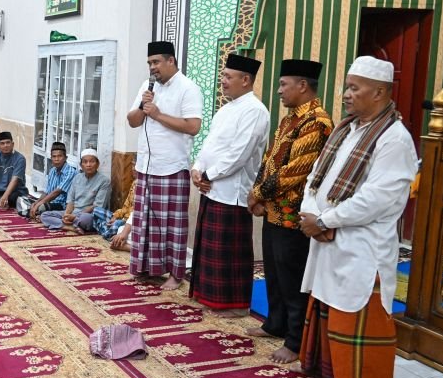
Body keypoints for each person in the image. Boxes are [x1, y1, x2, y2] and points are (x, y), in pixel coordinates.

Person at [296, 56, 418, 378]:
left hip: (362, 246)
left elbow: (377, 199)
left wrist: (324, 219)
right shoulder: (346, 129)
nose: (346, 94)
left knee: (360, 315)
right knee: (332, 308)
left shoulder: (395, 139)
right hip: (328, 238)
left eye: (354, 88)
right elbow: (315, 178)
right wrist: (310, 212)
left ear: (379, 92)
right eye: (346, 87)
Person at [245, 59, 333, 363]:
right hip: (273, 210)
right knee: (274, 273)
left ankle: (296, 342)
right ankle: (275, 324)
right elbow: (269, 159)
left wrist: (257, 194)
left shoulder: (317, 122)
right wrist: (258, 194)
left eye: (284, 84)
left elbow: (295, 172)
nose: (279, 90)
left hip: (294, 216)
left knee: (293, 279)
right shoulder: (289, 120)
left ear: (303, 85)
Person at [188, 53, 270, 316]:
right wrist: (197, 168)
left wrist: (208, 175)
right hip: (212, 188)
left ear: (245, 80)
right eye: (223, 75)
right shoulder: (225, 109)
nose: (222, 81)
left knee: (230, 254)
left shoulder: (255, 111)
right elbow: (209, 144)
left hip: (232, 193)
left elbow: (239, 154)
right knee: (211, 251)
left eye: (227, 76)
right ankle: (210, 297)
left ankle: (235, 305)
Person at [127, 40, 203, 290]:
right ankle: (146, 268)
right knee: (145, 222)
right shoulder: (147, 86)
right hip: (147, 166)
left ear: (171, 61)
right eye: (150, 63)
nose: (152, 67)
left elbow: (193, 126)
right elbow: (132, 121)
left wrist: (158, 114)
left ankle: (176, 274)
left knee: (172, 226)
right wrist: (143, 106)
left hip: (172, 167)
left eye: (156, 62)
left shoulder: (188, 88)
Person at [40, 149, 110, 233]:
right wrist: (66, 215)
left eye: (92, 162)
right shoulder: (77, 178)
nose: (88, 165)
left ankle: (66, 223)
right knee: (44, 215)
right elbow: (70, 201)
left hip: (89, 215)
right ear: (81, 165)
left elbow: (97, 206)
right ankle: (69, 226)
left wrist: (74, 216)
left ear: (97, 164)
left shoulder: (104, 181)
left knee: (85, 219)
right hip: (73, 213)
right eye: (85, 162)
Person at [19, 142, 77, 220]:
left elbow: (57, 192)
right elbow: (47, 192)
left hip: (62, 205)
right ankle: (35, 213)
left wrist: (39, 204)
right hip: (50, 202)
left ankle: (35, 213)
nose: (56, 159)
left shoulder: (70, 172)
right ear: (51, 158)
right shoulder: (52, 171)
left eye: (60, 156)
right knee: (20, 200)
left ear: (65, 158)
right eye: (54, 156)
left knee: (41, 207)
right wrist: (37, 202)